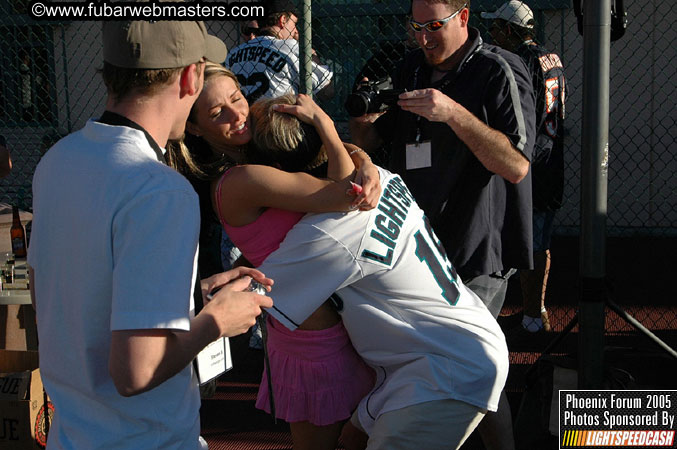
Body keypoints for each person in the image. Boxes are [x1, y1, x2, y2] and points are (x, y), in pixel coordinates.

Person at [28, 18, 274, 449]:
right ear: (191, 76)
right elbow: (136, 371)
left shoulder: (58, 160)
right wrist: (216, 321)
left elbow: (57, 292)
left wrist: (186, 297)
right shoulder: (160, 189)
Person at [240, 97, 509, 449]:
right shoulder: (379, 177)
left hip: (441, 372)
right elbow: (347, 155)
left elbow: (254, 295)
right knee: (351, 440)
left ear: (273, 170)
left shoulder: (324, 233)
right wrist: (332, 131)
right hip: (460, 336)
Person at [349, 1, 536, 449]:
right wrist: (362, 125)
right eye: (416, 27)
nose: (424, 37)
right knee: (444, 366)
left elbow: (516, 165)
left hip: (475, 247)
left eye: (435, 26)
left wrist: (452, 112)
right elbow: (378, 143)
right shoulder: (410, 66)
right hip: (413, 249)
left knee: (470, 365)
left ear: (464, 17)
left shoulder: (497, 69)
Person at [168, 64, 380, 450]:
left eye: (237, 99)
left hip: (345, 322)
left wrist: (363, 159)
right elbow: (346, 194)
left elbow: (330, 165)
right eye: (219, 113)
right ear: (195, 128)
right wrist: (326, 125)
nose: (238, 115)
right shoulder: (238, 180)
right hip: (314, 342)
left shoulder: (256, 150)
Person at [482, 0, 566, 339]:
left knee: (522, 239)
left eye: (495, 27)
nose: (491, 33)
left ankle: (531, 315)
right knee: (539, 238)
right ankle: (536, 310)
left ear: (507, 29)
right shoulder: (552, 58)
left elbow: (520, 117)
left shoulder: (519, 61)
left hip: (531, 160)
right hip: (551, 157)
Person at [227, 0, 334, 102]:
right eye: (294, 24)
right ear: (282, 20)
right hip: (281, 119)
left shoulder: (233, 53)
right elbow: (326, 91)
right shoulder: (290, 47)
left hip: (248, 118)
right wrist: (312, 56)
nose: (296, 31)